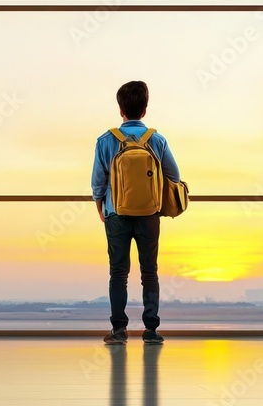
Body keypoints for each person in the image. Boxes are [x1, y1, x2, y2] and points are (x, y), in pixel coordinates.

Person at [91, 80, 180, 345]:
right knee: (149, 272)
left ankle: (119, 330)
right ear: (145, 109)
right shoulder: (156, 139)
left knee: (118, 272)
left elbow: (98, 183)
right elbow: (174, 175)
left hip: (115, 213)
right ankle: (151, 330)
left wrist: (102, 207)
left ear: (121, 109)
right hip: (149, 214)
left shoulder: (106, 140)